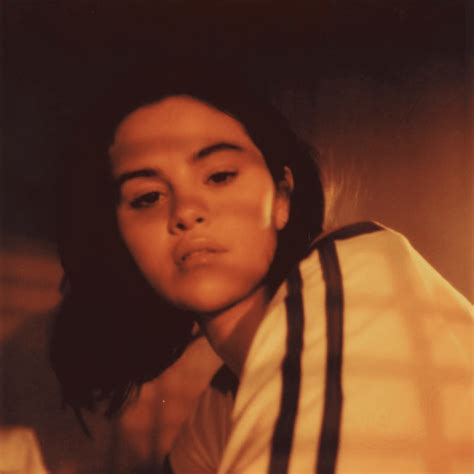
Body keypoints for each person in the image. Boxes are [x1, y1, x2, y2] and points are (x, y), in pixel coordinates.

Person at [50, 70, 473, 473]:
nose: (186, 211)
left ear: (282, 198)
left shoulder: (357, 273)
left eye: (219, 176)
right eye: (147, 197)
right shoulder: (223, 403)